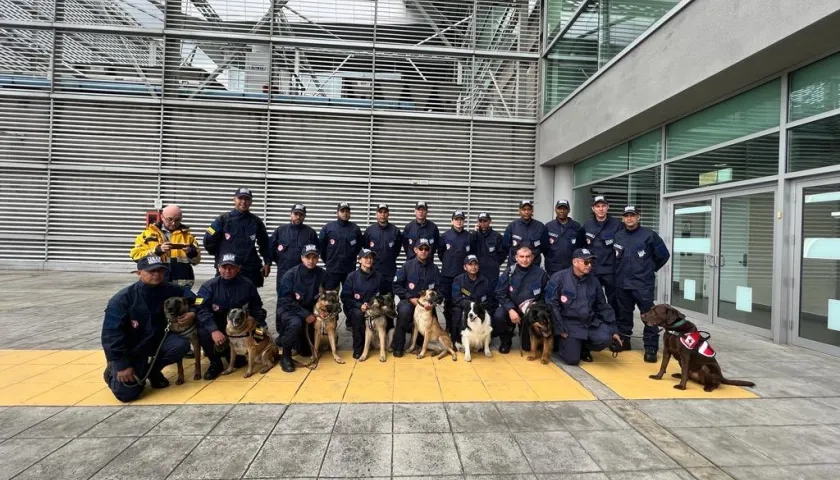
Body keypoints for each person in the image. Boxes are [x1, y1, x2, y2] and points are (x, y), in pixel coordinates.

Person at [101, 255, 193, 402]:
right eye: (151, 271)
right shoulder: (122, 299)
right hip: (132, 349)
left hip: (158, 342)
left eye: (160, 271)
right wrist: (121, 364)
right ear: (139, 273)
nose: (156, 274)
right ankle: (112, 371)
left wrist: (192, 312)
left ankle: (153, 371)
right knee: (127, 395)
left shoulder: (170, 289)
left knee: (180, 345)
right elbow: (111, 335)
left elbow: (196, 299)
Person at [613, 205, 671, 363]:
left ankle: (651, 348)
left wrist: (650, 269)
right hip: (622, 284)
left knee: (650, 316)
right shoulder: (618, 236)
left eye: (633, 215)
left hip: (643, 284)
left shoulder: (649, 235)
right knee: (624, 315)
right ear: (623, 218)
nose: (629, 218)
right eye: (626, 215)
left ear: (639, 217)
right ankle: (624, 342)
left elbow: (664, 255)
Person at [195, 253, 266, 380]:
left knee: (240, 363)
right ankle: (215, 363)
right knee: (203, 331)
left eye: (231, 267)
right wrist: (213, 330)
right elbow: (200, 309)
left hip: (242, 326)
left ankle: (234, 354)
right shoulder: (208, 286)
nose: (227, 271)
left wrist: (256, 322)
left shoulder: (247, 284)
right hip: (218, 324)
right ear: (218, 267)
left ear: (238, 268)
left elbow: (257, 306)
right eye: (224, 267)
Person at [546, 248, 623, 365]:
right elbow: (552, 305)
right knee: (572, 360)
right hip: (569, 324)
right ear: (575, 262)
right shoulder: (558, 278)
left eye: (591, 262)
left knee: (606, 338)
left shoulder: (594, 281)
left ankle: (583, 346)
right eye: (586, 262)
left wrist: (614, 330)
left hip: (589, 322)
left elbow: (602, 306)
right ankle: (562, 343)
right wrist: (559, 329)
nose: (589, 265)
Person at [204, 188, 271, 288]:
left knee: (249, 301)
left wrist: (267, 262)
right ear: (234, 200)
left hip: (248, 270)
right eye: (240, 198)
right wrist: (220, 254)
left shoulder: (256, 222)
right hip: (227, 268)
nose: (243, 202)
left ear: (251, 202)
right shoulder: (222, 220)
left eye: (247, 199)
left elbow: (265, 244)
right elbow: (208, 240)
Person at [276, 244, 326, 372]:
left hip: (310, 313)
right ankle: (285, 356)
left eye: (314, 257)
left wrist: (321, 312)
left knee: (305, 351)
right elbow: (285, 300)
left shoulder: (322, 274)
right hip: (290, 311)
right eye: (307, 257)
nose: (311, 261)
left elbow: (326, 296)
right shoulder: (290, 275)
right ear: (302, 258)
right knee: (296, 323)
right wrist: (304, 314)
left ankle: (291, 340)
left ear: (318, 258)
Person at [492, 245, 550, 354]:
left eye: (528, 256)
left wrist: (535, 306)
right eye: (522, 256)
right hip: (512, 306)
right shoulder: (509, 272)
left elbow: (546, 295)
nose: (525, 260)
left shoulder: (541, 274)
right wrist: (510, 309)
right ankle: (506, 340)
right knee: (498, 316)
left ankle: (528, 338)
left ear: (532, 257)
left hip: (530, 310)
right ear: (516, 257)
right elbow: (500, 292)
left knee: (527, 347)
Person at [130, 204, 201, 289]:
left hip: (182, 285)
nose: (173, 223)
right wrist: (157, 251)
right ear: (162, 217)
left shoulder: (188, 236)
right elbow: (136, 256)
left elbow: (197, 261)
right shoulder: (147, 235)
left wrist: (191, 252)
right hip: (156, 283)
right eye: (169, 219)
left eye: (177, 220)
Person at [391, 238, 439, 357]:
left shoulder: (434, 269)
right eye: (421, 249)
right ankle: (398, 346)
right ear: (415, 250)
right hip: (410, 300)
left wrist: (433, 303)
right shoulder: (407, 266)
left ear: (429, 251)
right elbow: (396, 285)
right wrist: (409, 297)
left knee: (432, 323)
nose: (423, 251)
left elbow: (440, 290)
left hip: (427, 305)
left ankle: (418, 343)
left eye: (426, 249)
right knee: (403, 311)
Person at [576, 195, 622, 316]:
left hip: (611, 270)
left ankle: (613, 325)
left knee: (614, 300)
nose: (601, 209)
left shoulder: (617, 224)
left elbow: (623, 245)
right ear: (593, 208)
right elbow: (581, 246)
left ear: (608, 207)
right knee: (591, 297)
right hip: (592, 269)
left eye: (603, 206)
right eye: (598, 206)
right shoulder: (587, 225)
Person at [341, 249, 383, 359]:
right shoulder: (352, 277)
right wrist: (359, 305)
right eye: (366, 258)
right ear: (359, 260)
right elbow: (345, 297)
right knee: (358, 315)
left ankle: (378, 344)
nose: (369, 260)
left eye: (371, 258)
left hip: (373, 307)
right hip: (355, 307)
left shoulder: (378, 277)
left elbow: (383, 295)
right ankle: (358, 349)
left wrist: (374, 304)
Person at [268, 203, 318, 294]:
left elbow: (316, 252)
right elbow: (271, 249)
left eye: (301, 214)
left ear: (304, 216)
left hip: (303, 273)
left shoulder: (310, 232)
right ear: (290, 214)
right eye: (296, 214)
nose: (298, 217)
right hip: (283, 271)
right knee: (283, 297)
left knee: (302, 299)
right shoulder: (280, 230)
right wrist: (275, 262)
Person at [450, 255, 497, 346]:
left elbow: (491, 299)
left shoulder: (485, 281)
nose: (473, 267)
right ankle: (455, 340)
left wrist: (481, 308)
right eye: (470, 264)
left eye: (475, 264)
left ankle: (483, 341)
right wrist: (469, 305)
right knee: (456, 312)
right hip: (464, 307)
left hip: (480, 309)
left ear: (478, 266)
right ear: (465, 267)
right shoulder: (458, 280)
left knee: (490, 314)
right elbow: (456, 298)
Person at [438, 210, 471, 334]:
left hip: (463, 276)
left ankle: (462, 328)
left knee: (463, 302)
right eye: (456, 219)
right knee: (448, 302)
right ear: (452, 221)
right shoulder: (445, 236)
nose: (459, 221)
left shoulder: (469, 236)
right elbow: (441, 253)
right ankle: (448, 327)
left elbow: (471, 255)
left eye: (461, 219)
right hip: (447, 275)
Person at [319, 201, 363, 291]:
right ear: (337, 213)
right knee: (330, 296)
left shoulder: (355, 228)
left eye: (347, 211)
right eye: (342, 211)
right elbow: (321, 248)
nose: (345, 213)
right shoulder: (328, 228)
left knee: (349, 296)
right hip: (332, 269)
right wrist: (328, 261)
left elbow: (359, 247)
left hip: (349, 270)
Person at [362, 203, 402, 295]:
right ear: (376, 214)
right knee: (372, 297)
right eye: (380, 212)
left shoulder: (395, 231)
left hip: (389, 270)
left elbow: (397, 250)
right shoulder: (370, 230)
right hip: (373, 269)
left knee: (389, 298)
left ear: (388, 214)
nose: (382, 214)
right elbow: (366, 249)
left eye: (385, 212)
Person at [503, 200, 548, 268]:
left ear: (532, 211)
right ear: (519, 211)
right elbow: (506, 246)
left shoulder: (540, 227)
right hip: (515, 266)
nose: (526, 212)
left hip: (534, 267)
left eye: (529, 209)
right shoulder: (512, 226)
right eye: (524, 209)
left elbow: (544, 247)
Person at [544, 199, 581, 277]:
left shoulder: (576, 226)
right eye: (559, 208)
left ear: (569, 210)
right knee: (553, 288)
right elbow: (544, 247)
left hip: (571, 267)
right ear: (555, 210)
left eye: (565, 208)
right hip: (553, 267)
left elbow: (580, 246)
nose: (562, 211)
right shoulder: (548, 226)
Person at [470, 212, 505, 283]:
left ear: (489, 221)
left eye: (485, 221)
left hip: (492, 273)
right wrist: (474, 234)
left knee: (492, 292)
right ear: (478, 222)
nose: (483, 223)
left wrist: (494, 263)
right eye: (480, 221)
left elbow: (503, 253)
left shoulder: (497, 236)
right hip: (477, 271)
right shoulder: (473, 236)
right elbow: (469, 251)